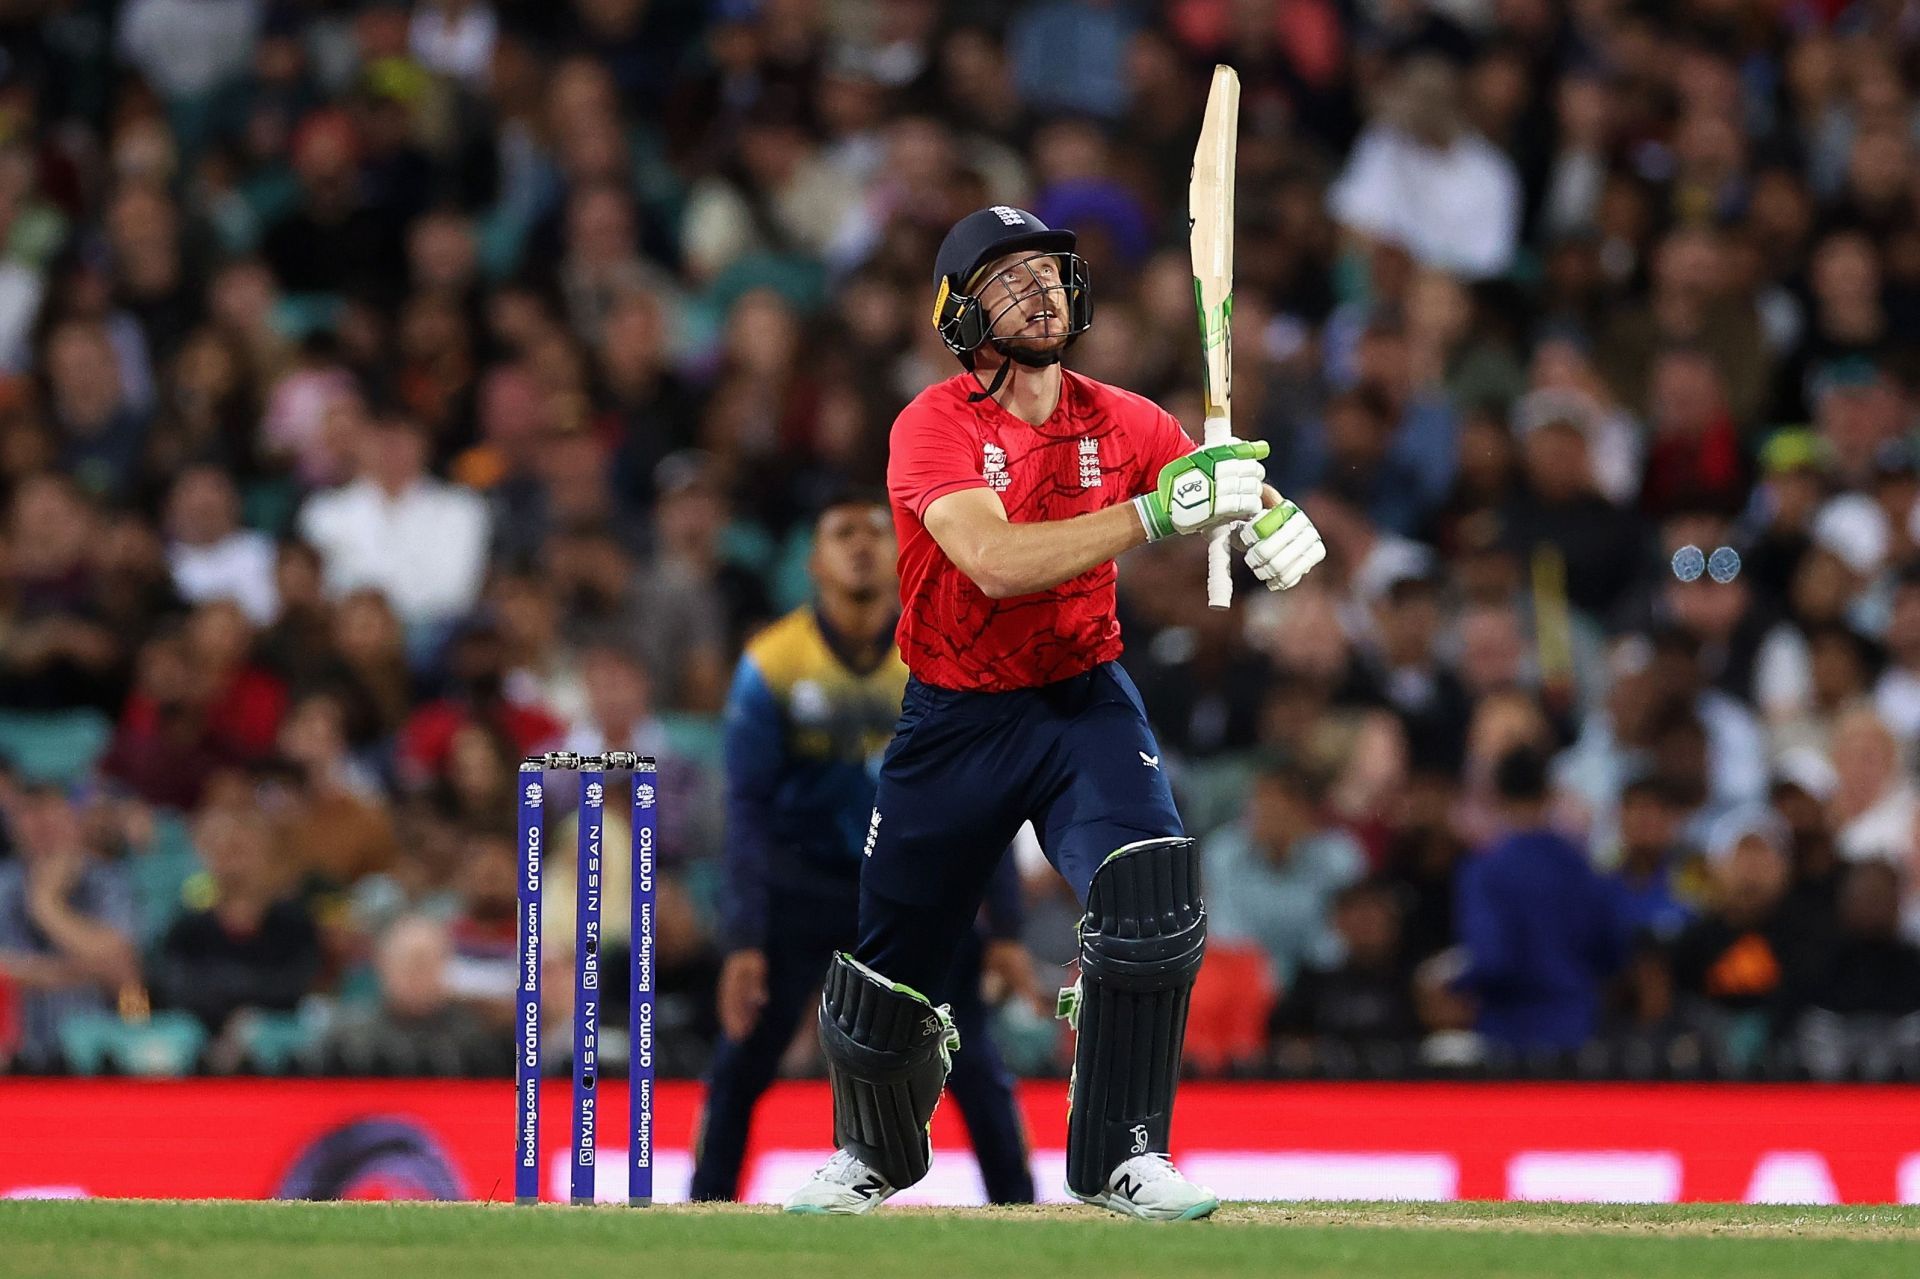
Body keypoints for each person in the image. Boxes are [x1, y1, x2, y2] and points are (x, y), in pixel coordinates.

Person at [783, 207, 1326, 1219]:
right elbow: (992, 564)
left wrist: (1264, 511)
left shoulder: (1123, 417)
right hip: (953, 717)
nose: (1036, 291)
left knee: (1147, 894)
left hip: (1082, 703)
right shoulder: (933, 424)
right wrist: (1160, 514)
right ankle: (870, 1154)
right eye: (1007, 277)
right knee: (890, 967)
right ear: (958, 311)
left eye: (1047, 271)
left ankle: (1125, 1153)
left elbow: (1206, 484)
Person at [692, 489, 1037, 1204]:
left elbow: (982, 801)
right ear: (815, 561)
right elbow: (747, 811)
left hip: (913, 893)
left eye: (877, 533)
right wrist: (746, 938)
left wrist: (1004, 927)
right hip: (801, 887)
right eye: (842, 532)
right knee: (741, 1064)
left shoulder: (941, 655)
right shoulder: (772, 664)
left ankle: (1023, 1215)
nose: (861, 545)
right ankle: (705, 1213)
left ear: (902, 552)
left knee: (969, 1060)